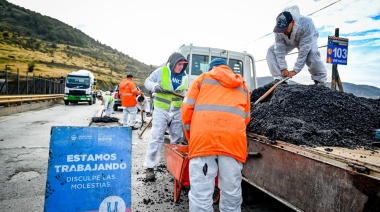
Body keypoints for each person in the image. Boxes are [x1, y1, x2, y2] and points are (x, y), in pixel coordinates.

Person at [181, 58, 251, 211]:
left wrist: (191, 137)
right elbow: (246, 117)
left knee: (201, 193)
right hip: (233, 142)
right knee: (231, 191)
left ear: (212, 68)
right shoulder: (242, 86)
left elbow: (186, 111)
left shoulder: (202, 79)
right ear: (228, 69)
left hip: (203, 139)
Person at [143, 52, 188, 181]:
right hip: (161, 109)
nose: (181, 67)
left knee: (177, 140)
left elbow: (185, 92)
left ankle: (175, 168)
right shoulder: (161, 71)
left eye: (183, 65)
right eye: (179, 64)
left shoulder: (184, 77)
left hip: (177, 111)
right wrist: (155, 87)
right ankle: (149, 167)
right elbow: (148, 82)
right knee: (157, 137)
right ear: (173, 63)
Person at [266, 5, 327, 86]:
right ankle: (279, 79)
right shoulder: (278, 30)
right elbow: (279, 49)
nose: (283, 32)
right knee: (271, 50)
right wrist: (283, 68)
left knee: (312, 52)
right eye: (281, 29)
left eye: (285, 29)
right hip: (289, 40)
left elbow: (304, 51)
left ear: (292, 22)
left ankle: (319, 80)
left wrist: (295, 70)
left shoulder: (306, 23)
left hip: (307, 37)